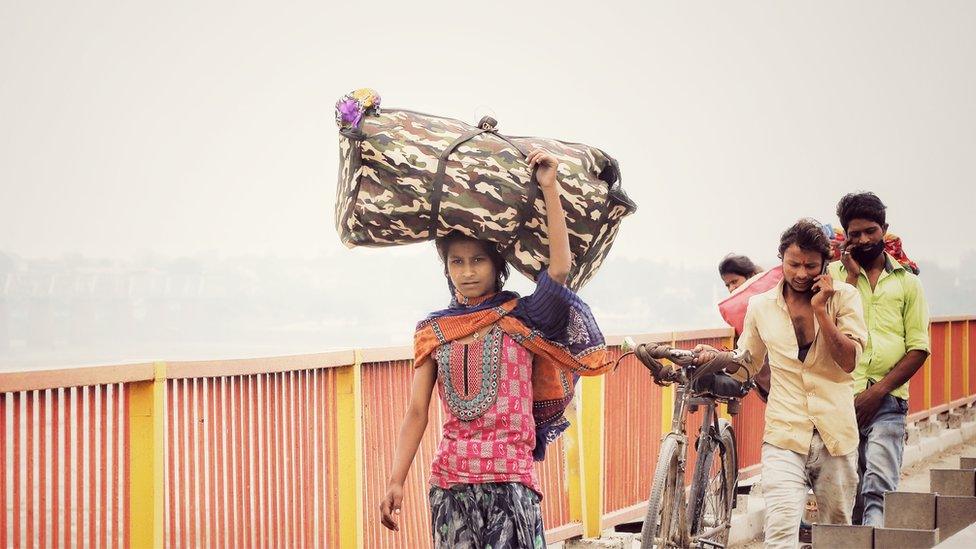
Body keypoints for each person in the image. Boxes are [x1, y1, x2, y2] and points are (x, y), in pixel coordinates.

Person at [377, 149, 614, 547]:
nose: (467, 272)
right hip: (451, 483)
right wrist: (395, 480)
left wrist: (550, 187)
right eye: (457, 262)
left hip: (511, 480)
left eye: (477, 261)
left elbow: (559, 270)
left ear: (497, 266)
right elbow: (417, 412)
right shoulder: (434, 331)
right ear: (447, 268)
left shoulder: (523, 316)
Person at [696, 219, 867, 549]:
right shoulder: (760, 307)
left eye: (810, 265)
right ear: (781, 262)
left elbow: (849, 361)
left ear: (824, 265)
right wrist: (716, 357)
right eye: (793, 264)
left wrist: (822, 312)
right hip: (784, 433)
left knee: (838, 536)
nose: (801, 273)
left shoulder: (845, 298)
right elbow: (747, 363)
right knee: (779, 533)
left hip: (835, 434)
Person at [830, 192, 930, 527]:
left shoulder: (907, 282)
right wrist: (849, 278)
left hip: (888, 401)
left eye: (871, 231)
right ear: (845, 236)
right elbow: (826, 326)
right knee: (847, 494)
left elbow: (918, 348)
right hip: (840, 399)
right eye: (855, 234)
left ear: (884, 229)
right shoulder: (832, 276)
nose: (864, 239)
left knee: (879, 486)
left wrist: (877, 392)